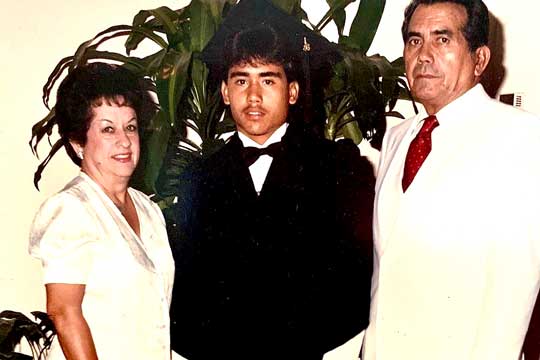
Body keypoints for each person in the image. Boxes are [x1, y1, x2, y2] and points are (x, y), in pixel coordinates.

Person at [168, 0, 374, 359]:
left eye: (268, 79)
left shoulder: (339, 168)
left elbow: (354, 281)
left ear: (292, 91)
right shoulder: (198, 180)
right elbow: (186, 292)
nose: (253, 96)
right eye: (241, 80)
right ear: (224, 92)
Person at [363, 0, 540, 359]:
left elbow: (515, 284)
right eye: (414, 41)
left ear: (480, 59)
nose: (424, 55)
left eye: (442, 40)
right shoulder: (398, 137)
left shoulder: (521, 137)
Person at [29, 62, 175, 360]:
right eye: (108, 129)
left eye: (130, 127)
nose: (124, 141)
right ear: (78, 141)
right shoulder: (71, 209)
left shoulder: (147, 208)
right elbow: (64, 312)